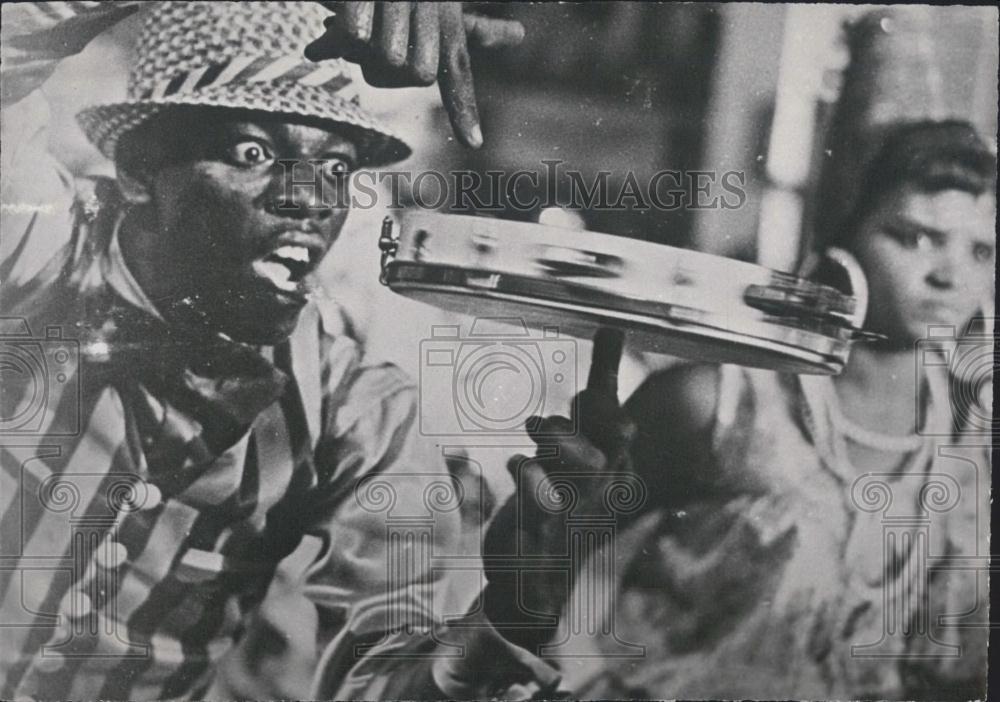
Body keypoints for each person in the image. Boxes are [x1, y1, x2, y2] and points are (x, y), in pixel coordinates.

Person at [0, 2, 542, 700]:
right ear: (139, 169)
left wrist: (513, 611)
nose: (310, 198)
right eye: (252, 153)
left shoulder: (357, 417)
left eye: (337, 166)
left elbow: (380, 679)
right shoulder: (38, 246)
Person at [484, 6, 995, 700]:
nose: (949, 275)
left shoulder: (971, 441)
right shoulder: (716, 404)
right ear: (843, 236)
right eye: (913, 237)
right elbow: (540, 592)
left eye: (981, 250)